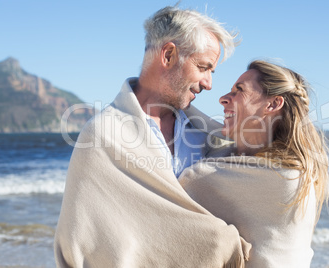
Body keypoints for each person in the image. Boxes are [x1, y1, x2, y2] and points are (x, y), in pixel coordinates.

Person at [54, 5, 251, 268]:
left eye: (211, 71)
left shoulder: (211, 135)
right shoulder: (102, 134)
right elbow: (80, 241)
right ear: (168, 55)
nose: (208, 83)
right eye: (203, 67)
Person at [179, 60, 329, 267]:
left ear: (273, 104)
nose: (223, 99)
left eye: (239, 90)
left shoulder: (283, 177)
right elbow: (215, 133)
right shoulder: (293, 166)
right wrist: (177, 102)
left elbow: (190, 182)